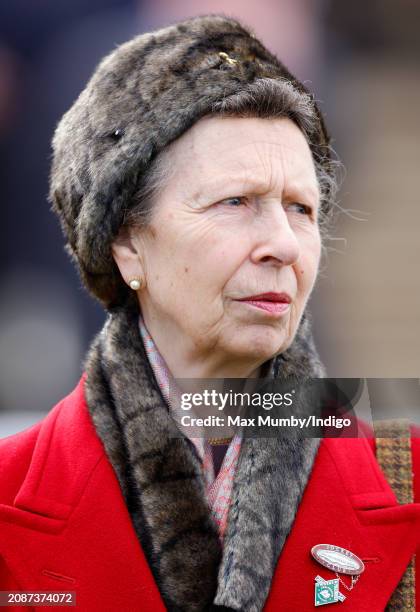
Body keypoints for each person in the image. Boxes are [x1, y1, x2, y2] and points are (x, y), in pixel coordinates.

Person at [0, 14, 419, 612]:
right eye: (236, 202)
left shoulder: (407, 476)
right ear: (126, 243)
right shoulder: (9, 498)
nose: (284, 243)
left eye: (301, 208)